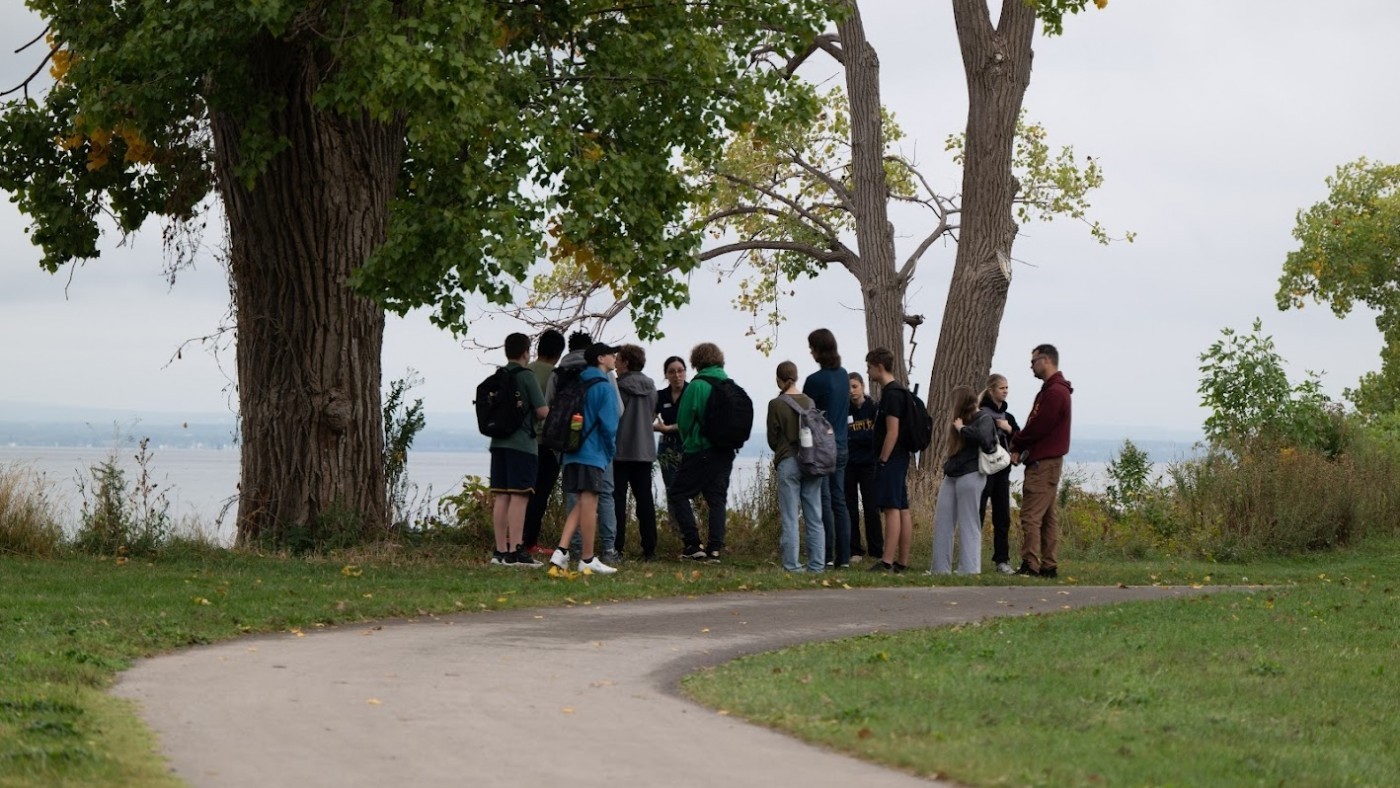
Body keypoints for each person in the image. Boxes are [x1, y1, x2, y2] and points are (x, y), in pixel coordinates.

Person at [548, 330, 621, 561]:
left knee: (578, 502)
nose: (615, 359)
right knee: (593, 501)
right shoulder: (604, 386)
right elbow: (611, 425)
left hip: (570, 451)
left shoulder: (570, 378)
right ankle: (590, 558)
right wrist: (609, 452)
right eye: (611, 355)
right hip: (593, 453)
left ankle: (562, 551)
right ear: (600, 358)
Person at [667, 342, 736, 562]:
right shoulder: (729, 384)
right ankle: (714, 550)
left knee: (678, 493)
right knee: (717, 499)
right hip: (725, 451)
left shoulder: (697, 386)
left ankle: (693, 544)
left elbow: (684, 421)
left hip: (700, 449)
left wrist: (690, 441)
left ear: (696, 361)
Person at [1009, 344, 1073, 579]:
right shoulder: (1053, 390)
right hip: (1049, 461)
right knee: (1047, 516)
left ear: (1046, 360)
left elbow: (1039, 425)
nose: (1031, 366)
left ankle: (1031, 564)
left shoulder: (1055, 392)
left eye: (1033, 361)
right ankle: (1048, 565)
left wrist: (1017, 442)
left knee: (1031, 515)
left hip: (1043, 463)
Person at [488, 332, 549, 567]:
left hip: (498, 443)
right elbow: (542, 411)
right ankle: (515, 551)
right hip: (522, 444)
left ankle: (500, 551)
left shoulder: (498, 375)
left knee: (502, 496)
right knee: (520, 496)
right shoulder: (526, 376)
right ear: (526, 352)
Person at [930, 385, 998, 575]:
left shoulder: (983, 418)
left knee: (969, 522)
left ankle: (970, 568)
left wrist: (962, 429)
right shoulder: (961, 420)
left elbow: (985, 440)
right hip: (953, 473)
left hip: (972, 473)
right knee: (943, 520)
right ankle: (939, 568)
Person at [768, 361, 825, 572]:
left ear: (778, 379)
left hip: (789, 461)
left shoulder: (776, 404)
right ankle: (817, 565)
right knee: (814, 515)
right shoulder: (809, 402)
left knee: (790, 517)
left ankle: (792, 565)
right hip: (811, 461)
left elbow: (772, 438)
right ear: (797, 377)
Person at [802, 328, 850, 568]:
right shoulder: (843, 375)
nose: (810, 352)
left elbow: (806, 415)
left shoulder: (814, 381)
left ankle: (827, 554)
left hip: (822, 447)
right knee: (839, 500)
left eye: (812, 348)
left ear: (819, 350)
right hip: (842, 443)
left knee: (823, 500)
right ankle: (845, 556)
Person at [864, 347, 912, 573]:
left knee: (891, 508)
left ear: (879, 367)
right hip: (901, 457)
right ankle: (902, 561)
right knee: (902, 507)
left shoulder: (892, 395)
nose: (868, 371)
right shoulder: (899, 392)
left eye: (869, 367)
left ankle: (887, 560)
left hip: (892, 458)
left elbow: (892, 431)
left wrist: (882, 460)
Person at [613, 344, 659, 561]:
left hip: (620, 451)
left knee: (617, 501)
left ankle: (616, 546)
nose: (615, 363)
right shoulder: (651, 388)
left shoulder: (618, 387)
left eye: (618, 359)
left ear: (626, 363)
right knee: (645, 501)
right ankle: (649, 548)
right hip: (644, 450)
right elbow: (650, 416)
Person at [522, 328, 565, 555]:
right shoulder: (557, 376)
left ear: (538, 349)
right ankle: (530, 542)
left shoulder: (525, 371)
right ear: (559, 353)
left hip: (524, 442)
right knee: (540, 495)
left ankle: (513, 540)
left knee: (521, 493)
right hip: (547, 443)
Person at [978, 373, 1020, 575]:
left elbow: (1020, 438)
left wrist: (1008, 429)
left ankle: (1002, 559)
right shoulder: (980, 413)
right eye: (1002, 388)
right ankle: (972, 558)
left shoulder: (1008, 417)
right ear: (992, 390)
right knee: (977, 514)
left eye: (1007, 388)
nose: (1005, 391)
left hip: (1002, 471)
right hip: (984, 470)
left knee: (1002, 516)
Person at [845, 372, 883, 561]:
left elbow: (876, 437)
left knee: (871, 507)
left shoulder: (873, 408)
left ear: (862, 387)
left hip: (869, 464)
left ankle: (876, 549)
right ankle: (855, 550)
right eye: (849, 388)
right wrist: (862, 437)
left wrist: (857, 437)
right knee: (850, 507)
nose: (852, 391)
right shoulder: (845, 410)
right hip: (849, 464)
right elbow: (844, 437)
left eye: (855, 386)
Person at [653, 355, 688, 494]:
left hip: (688, 446)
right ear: (666, 375)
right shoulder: (661, 395)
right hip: (667, 448)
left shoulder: (692, 392)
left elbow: (694, 422)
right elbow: (649, 418)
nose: (677, 375)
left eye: (680, 371)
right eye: (672, 372)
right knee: (672, 490)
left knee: (695, 490)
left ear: (685, 372)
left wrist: (669, 428)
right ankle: (675, 517)